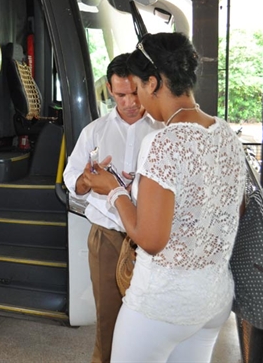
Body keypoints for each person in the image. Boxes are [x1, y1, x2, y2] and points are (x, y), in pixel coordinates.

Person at [87, 32, 246, 362]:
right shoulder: (226, 134)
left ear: (154, 82)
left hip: (163, 305)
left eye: (140, 87)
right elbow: (232, 210)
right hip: (214, 298)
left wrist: (114, 190)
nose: (139, 101)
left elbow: (151, 239)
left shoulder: (163, 142)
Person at [63, 53, 164, 363]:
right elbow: (72, 181)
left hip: (153, 239)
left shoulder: (161, 129)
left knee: (153, 320)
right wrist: (89, 181)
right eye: (121, 94)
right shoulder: (94, 131)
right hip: (108, 236)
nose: (130, 102)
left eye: (135, 93)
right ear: (109, 89)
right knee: (107, 319)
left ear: (148, 86)